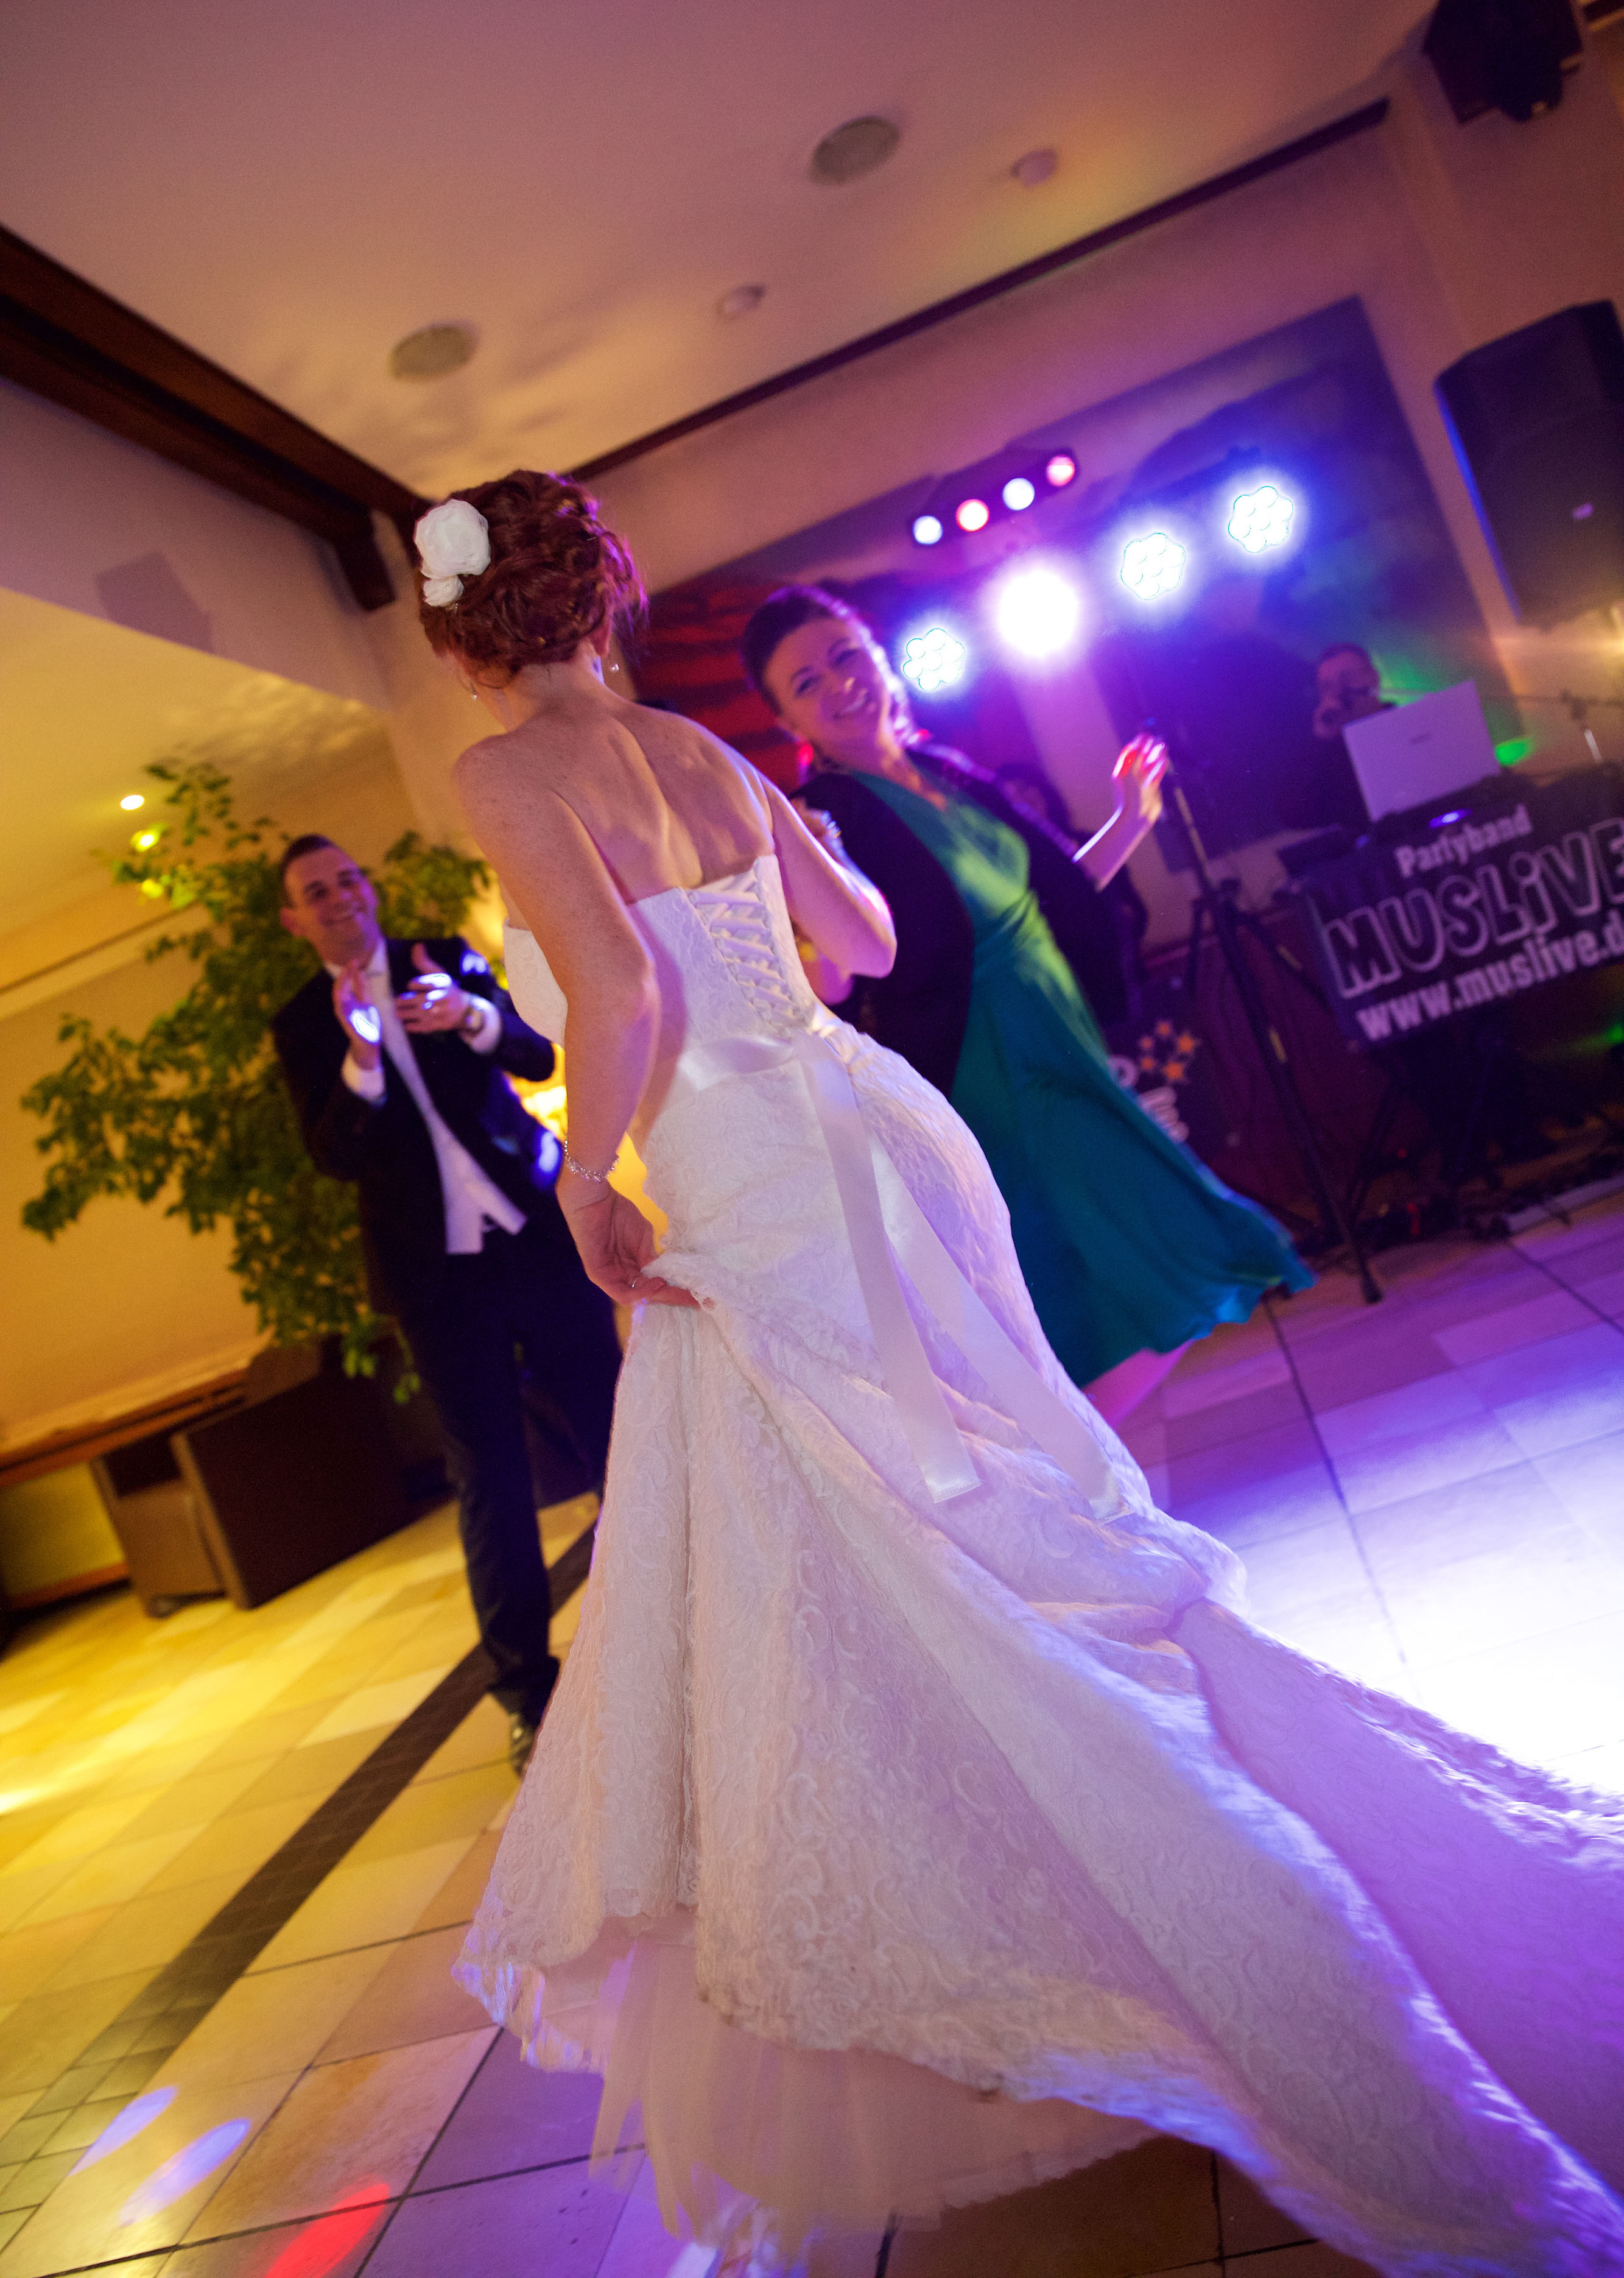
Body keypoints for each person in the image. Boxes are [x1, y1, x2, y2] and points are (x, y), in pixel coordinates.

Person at [420, 470, 1623, 2278]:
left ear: (462, 639)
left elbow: (624, 999)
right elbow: (866, 945)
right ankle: (1058, 1886)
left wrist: (589, 1177)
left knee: (853, 1530)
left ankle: (1104, 1906)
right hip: (864, 1127)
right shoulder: (701, 748)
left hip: (740, 1170)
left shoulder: (506, 776)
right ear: (601, 596)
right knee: (958, 1493)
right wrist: (760, 889)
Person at [740, 585, 1312, 1428]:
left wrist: (1131, 818)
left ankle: (1068, 1466)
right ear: (788, 721)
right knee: (1168, 1241)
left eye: (844, 655)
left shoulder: (947, 771)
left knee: (1120, 1273)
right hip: (988, 1068)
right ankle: (1070, 1465)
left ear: (879, 657)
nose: (838, 684)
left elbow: (1044, 901)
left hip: (1059, 1040)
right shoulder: (826, 818)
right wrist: (809, 886)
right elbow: (835, 983)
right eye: (806, 683)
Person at [273, 835, 623, 1772]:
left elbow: (537, 1056)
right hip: (435, 1285)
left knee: (621, 1433)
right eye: (317, 891)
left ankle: (684, 1620)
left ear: (368, 887)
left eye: (348, 878)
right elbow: (333, 1155)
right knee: (490, 1483)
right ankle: (527, 1699)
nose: (341, 896)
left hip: (534, 1241)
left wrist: (470, 1015)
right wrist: (362, 1056)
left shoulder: (443, 957)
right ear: (295, 919)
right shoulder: (301, 1024)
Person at [1282, 641, 1396, 834]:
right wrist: (1321, 741)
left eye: (1347, 678)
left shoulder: (1411, 725)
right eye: (1328, 687)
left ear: (1373, 677)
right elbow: (1293, 814)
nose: (1339, 692)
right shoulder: (1329, 755)